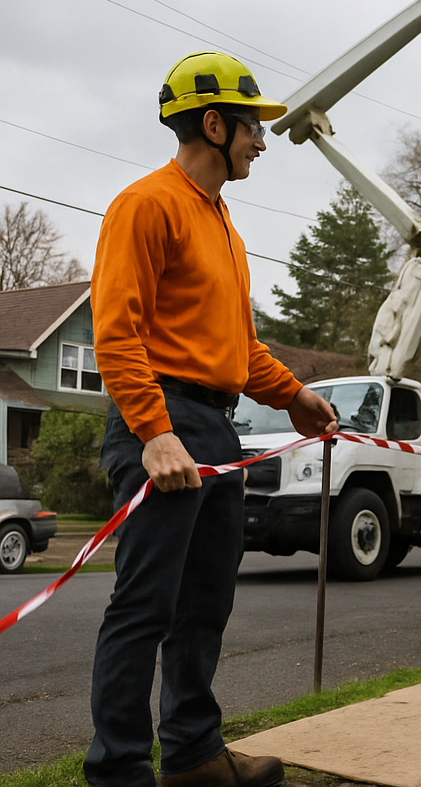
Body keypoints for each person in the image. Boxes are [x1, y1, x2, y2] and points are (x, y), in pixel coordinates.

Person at [85, 51, 339, 787]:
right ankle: (120, 770)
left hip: (217, 426)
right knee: (145, 605)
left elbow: (234, 347)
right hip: (160, 423)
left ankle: (193, 755)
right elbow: (116, 333)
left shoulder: (222, 221)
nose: (262, 142)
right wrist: (153, 431)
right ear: (215, 123)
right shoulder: (147, 204)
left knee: (204, 604)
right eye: (253, 128)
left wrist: (293, 394)